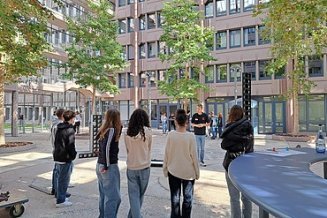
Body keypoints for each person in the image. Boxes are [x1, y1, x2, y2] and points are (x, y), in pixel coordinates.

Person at [163, 109, 200, 218]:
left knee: (175, 199)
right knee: (187, 199)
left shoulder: (171, 135)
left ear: (175, 121)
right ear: (186, 122)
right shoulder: (191, 136)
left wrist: (165, 169)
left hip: (173, 171)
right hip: (189, 173)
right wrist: (197, 172)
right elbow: (194, 156)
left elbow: (166, 154)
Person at [220, 105, 254, 218]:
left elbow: (224, 145)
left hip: (231, 163)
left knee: (234, 197)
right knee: (246, 196)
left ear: (231, 115)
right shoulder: (249, 127)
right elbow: (250, 148)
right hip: (246, 164)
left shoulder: (229, 129)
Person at [124, 109, 152, 218]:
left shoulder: (127, 133)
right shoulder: (148, 132)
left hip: (131, 167)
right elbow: (149, 148)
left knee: (134, 196)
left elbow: (128, 150)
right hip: (145, 167)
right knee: (140, 195)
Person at [96, 109, 122, 218]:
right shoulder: (111, 130)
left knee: (103, 196)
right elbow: (107, 148)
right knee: (113, 198)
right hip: (108, 166)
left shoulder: (104, 129)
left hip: (100, 165)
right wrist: (106, 165)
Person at [53, 110, 77, 207]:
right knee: (64, 179)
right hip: (65, 157)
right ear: (71, 119)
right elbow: (70, 145)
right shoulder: (70, 129)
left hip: (58, 156)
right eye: (74, 118)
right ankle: (61, 200)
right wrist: (73, 155)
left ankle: (61, 195)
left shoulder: (59, 127)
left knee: (60, 178)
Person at [50, 108, 65, 196]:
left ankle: (55, 188)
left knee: (56, 170)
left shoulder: (54, 124)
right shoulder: (60, 126)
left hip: (55, 149)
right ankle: (59, 192)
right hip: (60, 151)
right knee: (61, 173)